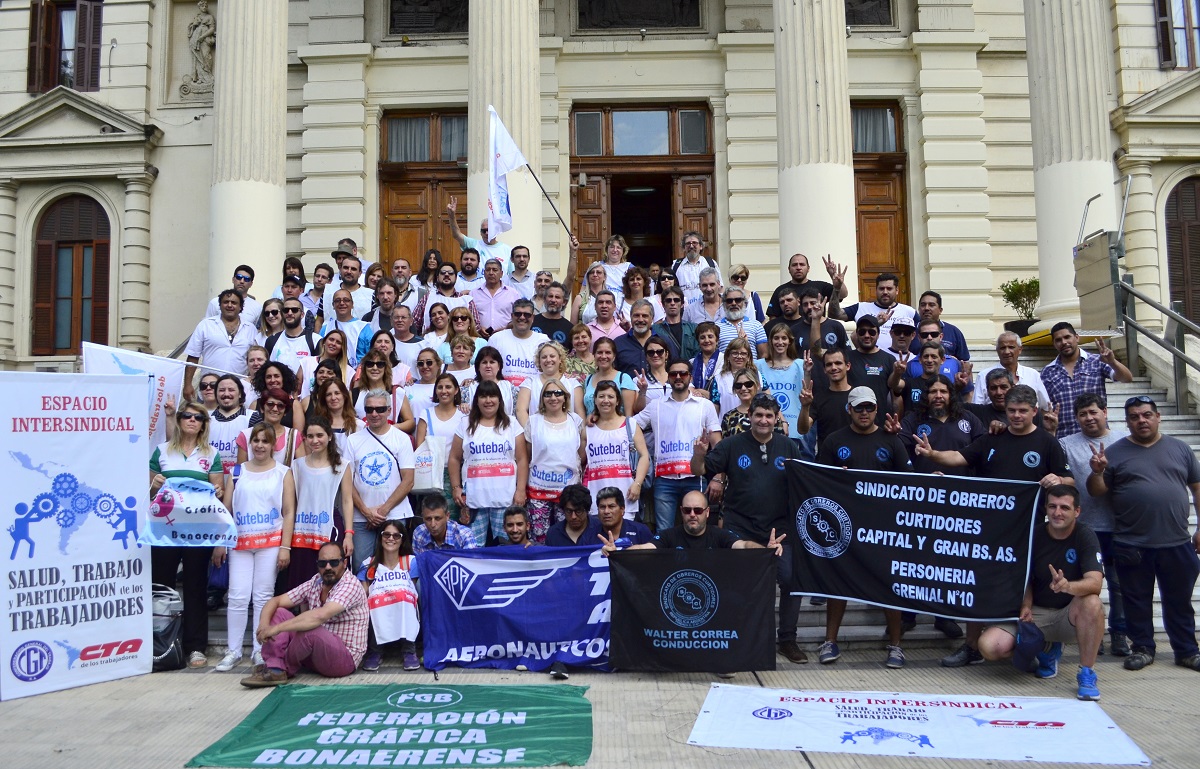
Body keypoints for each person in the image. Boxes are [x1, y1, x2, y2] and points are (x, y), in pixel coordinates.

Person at [919, 384, 1074, 668]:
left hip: (1029, 533)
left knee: (1030, 587)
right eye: (1012, 410)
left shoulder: (1047, 443)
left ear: (1035, 411)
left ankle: (1037, 643)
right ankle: (972, 646)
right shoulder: (993, 438)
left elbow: (1070, 481)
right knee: (978, 584)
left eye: (1022, 411)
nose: (1016, 416)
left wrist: (1059, 480)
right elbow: (960, 457)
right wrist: (933, 454)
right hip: (989, 531)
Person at [1086, 396, 1200, 673]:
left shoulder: (1180, 449)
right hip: (1131, 543)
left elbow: (1197, 489)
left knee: (1179, 601)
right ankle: (1142, 649)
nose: (1141, 420)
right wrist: (1097, 472)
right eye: (1134, 417)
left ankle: (1186, 651)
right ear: (1126, 422)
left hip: (1176, 542)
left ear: (1158, 417)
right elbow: (1096, 491)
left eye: (1147, 415)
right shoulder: (1114, 452)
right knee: (1135, 601)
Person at [692, 393, 806, 663]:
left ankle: (787, 639)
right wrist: (698, 455)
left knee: (791, 580)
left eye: (769, 416)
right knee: (740, 583)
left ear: (776, 418)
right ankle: (741, 638)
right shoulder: (731, 445)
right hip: (740, 528)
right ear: (749, 417)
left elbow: (805, 481)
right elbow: (699, 470)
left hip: (779, 530)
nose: (763, 420)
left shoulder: (789, 446)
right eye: (758, 415)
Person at [974, 486, 1106, 701]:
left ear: (1077, 511)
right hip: (1037, 612)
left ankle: (1087, 673)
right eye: (1052, 506)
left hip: (1068, 614)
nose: (1057, 512)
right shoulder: (1034, 534)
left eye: (1064, 508)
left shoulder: (1085, 535)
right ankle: (1045, 649)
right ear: (1045, 508)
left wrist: (1067, 586)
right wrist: (1026, 604)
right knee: (989, 647)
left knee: (1092, 603)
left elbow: (1095, 583)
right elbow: (1025, 578)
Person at [815, 386, 912, 669]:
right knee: (838, 583)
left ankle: (896, 645)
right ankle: (830, 641)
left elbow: (909, 481)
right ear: (849, 410)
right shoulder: (834, 441)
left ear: (877, 409)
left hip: (884, 527)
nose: (865, 412)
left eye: (869, 407)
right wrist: (836, 479)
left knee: (889, 584)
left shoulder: (892, 440)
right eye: (859, 408)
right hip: (844, 526)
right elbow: (818, 480)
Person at [213, 423, 296, 672]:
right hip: (240, 543)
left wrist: (285, 547)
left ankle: (260, 650)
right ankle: (234, 650)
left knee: (263, 596)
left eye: (265, 441)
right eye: (256, 441)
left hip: (270, 543)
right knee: (237, 596)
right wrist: (221, 543)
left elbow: (289, 512)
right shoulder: (237, 472)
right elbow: (226, 510)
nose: (260, 445)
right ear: (250, 444)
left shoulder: (283, 472)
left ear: (273, 445)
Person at [149, 401, 226, 668]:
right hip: (165, 530)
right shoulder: (161, 451)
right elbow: (149, 492)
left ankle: (195, 647)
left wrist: (218, 492)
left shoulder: (211, 453)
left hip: (197, 532)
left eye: (198, 417)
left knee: (195, 587)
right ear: (179, 420)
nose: (192, 420)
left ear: (204, 424)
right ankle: (161, 644)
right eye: (187, 416)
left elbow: (219, 494)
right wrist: (154, 484)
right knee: (162, 588)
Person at [1058, 393, 1131, 656]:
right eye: (1083, 414)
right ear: (1076, 418)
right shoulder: (1066, 444)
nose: (1089, 418)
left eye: (1093, 412)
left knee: (1119, 585)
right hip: (1083, 527)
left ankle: (1120, 634)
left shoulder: (1124, 440)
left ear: (1105, 412)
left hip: (1120, 526)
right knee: (1085, 585)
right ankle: (1091, 632)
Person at [239, 541, 368, 687]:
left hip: (344, 660)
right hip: (317, 654)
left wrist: (276, 629)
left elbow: (319, 616)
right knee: (279, 612)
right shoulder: (316, 581)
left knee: (310, 629)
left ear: (344, 563)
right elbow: (276, 601)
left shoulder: (350, 585)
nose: (328, 567)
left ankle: (280, 669)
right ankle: (275, 667)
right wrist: (263, 625)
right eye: (322, 563)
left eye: (333, 562)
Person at [635, 357, 720, 532]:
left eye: (683, 373)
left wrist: (719, 476)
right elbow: (630, 426)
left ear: (690, 377)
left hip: (695, 477)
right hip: (664, 479)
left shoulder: (705, 405)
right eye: (674, 374)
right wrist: (599, 417)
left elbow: (717, 443)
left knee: (698, 529)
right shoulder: (656, 405)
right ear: (668, 377)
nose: (678, 377)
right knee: (663, 531)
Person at [449, 380, 527, 546]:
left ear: (499, 400)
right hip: (474, 499)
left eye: (492, 396)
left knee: (506, 547)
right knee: (473, 549)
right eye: (483, 396)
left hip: (505, 498)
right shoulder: (465, 423)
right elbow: (454, 458)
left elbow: (522, 460)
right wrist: (456, 487)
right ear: (476, 400)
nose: (488, 400)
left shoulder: (512, 424)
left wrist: (521, 490)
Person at [346, 390, 416, 559]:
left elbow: (408, 481)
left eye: (380, 409)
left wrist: (382, 511)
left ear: (389, 410)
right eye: (369, 409)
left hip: (395, 514)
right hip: (361, 518)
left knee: (393, 565)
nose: (374, 414)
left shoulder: (401, 439)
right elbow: (347, 482)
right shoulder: (353, 440)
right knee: (361, 565)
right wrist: (366, 512)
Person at [605, 490, 785, 553]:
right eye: (687, 510)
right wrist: (618, 552)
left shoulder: (720, 535)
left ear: (707, 513)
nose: (692, 514)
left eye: (698, 510)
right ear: (681, 512)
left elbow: (744, 546)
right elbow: (645, 549)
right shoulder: (668, 536)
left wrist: (766, 551)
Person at [518, 379, 584, 542]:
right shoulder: (533, 421)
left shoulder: (576, 420)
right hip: (539, 490)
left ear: (565, 397)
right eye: (548, 394)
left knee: (567, 537)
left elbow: (580, 453)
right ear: (542, 398)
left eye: (558, 393)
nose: (553, 397)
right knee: (540, 538)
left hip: (568, 491)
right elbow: (528, 455)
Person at [1041, 323, 1133, 438]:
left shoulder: (1097, 361)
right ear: (1054, 344)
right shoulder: (1047, 372)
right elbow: (1043, 407)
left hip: (1098, 436)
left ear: (1077, 337)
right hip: (1065, 437)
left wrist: (1112, 362)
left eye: (1067, 337)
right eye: (1058, 340)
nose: (1064, 342)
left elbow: (1127, 378)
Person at [356, 520, 421, 672]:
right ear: (380, 538)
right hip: (378, 606)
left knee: (405, 597)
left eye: (396, 536)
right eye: (386, 535)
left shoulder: (410, 561)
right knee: (373, 601)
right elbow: (363, 592)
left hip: (403, 604)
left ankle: (409, 650)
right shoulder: (368, 564)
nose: (391, 538)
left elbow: (413, 590)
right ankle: (375, 650)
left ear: (402, 540)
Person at [583, 381, 650, 519]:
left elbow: (644, 456)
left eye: (610, 396)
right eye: (601, 396)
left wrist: (637, 483)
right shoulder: (588, 429)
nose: (606, 400)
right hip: (595, 498)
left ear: (618, 400)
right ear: (595, 400)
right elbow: (581, 460)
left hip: (626, 496)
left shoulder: (630, 424)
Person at [413, 373, 467, 524]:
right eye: (440, 387)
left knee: (453, 519)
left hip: (455, 474)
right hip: (430, 474)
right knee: (432, 520)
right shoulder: (426, 413)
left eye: (448, 387)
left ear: (456, 390)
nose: (444, 391)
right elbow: (419, 447)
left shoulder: (464, 415)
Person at [184, 289, 257, 400]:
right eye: (226, 302)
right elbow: (193, 356)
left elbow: (255, 360)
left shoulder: (251, 329)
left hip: (238, 391)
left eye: (234, 302)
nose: (229, 305)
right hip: (209, 389)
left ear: (240, 307)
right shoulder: (205, 325)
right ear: (220, 305)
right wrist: (187, 384)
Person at [827, 270, 917, 340]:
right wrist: (836, 289)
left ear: (897, 290)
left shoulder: (909, 312)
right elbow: (834, 314)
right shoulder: (861, 308)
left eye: (889, 288)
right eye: (881, 288)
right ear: (876, 290)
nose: (885, 292)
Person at [971, 331, 1052, 409]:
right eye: (1002, 348)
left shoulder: (1032, 375)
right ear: (997, 350)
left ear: (1020, 349)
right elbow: (977, 408)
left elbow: (1045, 407)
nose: (1007, 352)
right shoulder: (983, 376)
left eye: (1011, 347)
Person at [798, 346, 852, 455]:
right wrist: (805, 407)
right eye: (829, 364)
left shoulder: (857, 396)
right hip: (826, 459)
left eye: (838, 363)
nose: (833, 367)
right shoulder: (819, 398)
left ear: (847, 366)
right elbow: (803, 429)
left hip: (854, 457)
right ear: (824, 370)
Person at [757, 323, 805, 438]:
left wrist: (807, 372)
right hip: (765, 424)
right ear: (770, 341)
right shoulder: (758, 365)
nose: (780, 342)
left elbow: (806, 391)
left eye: (784, 338)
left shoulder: (800, 364)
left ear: (790, 341)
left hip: (794, 425)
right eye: (776, 338)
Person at [517, 341, 584, 424]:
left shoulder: (573, 383)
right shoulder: (530, 382)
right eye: (544, 357)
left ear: (560, 359)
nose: (548, 360)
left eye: (552, 356)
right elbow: (520, 410)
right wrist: (530, 430)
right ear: (539, 361)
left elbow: (580, 413)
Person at [964, 368, 1048, 435]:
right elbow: (955, 406)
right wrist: (960, 387)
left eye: (1003, 387)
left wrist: (1051, 430)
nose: (999, 392)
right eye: (993, 388)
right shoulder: (976, 412)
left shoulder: (1030, 413)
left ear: (1013, 387)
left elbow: (1043, 442)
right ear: (987, 391)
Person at [488, 298, 550, 386]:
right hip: (502, 392)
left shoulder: (543, 341)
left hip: (534, 391)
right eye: (518, 314)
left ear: (533, 317)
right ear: (512, 316)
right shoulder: (496, 339)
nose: (522, 317)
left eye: (527, 315)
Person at [766, 252, 846, 318]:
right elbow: (773, 316)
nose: (798, 268)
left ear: (808, 268)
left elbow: (842, 295)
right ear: (789, 269)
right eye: (794, 265)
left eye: (802, 264)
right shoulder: (780, 290)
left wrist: (833, 275)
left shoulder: (821, 286)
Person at [351, 351, 415, 431]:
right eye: (370, 364)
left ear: (386, 368)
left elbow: (410, 422)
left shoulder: (397, 393)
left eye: (380, 364)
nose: (375, 368)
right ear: (364, 368)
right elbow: (346, 419)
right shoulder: (355, 394)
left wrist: (390, 429)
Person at [240, 385, 304, 465]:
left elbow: (301, 468)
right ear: (262, 408)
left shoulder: (294, 436)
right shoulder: (246, 435)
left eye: (280, 406)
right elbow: (240, 469)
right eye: (270, 404)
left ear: (285, 412)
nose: (275, 409)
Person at [446, 196, 510, 270]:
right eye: (484, 231)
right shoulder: (473, 244)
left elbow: (511, 273)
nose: (486, 233)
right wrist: (452, 216)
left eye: (489, 230)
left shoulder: (507, 250)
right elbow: (457, 235)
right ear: (480, 233)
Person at [719, 368, 785, 438]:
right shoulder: (728, 417)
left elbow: (780, 441)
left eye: (748, 384)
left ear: (758, 386)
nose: (743, 388)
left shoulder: (770, 414)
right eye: (738, 385)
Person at [414, 263, 478, 334]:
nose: (447, 275)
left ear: (456, 278)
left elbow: (475, 326)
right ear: (437, 278)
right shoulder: (427, 298)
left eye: (450, 273)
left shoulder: (467, 300)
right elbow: (415, 323)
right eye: (443, 273)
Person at [208, 375, 251, 474]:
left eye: (231, 390)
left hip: (241, 477)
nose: (226, 394)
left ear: (240, 394)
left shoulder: (252, 417)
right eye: (222, 390)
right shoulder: (205, 418)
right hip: (209, 479)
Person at [909, 290, 970, 361]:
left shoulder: (953, 332)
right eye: (923, 305)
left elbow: (964, 361)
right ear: (919, 309)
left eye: (931, 305)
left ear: (940, 310)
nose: (926, 308)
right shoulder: (909, 332)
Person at [582, 337, 637, 415]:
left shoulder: (624, 379)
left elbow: (629, 415)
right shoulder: (588, 379)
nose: (603, 356)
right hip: (591, 423)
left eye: (608, 352)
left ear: (614, 356)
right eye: (600, 352)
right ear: (594, 355)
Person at [266, 298, 321, 374]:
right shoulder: (272, 341)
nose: (290, 313)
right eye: (286, 310)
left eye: (294, 310)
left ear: (302, 314)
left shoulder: (315, 340)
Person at [462, 345, 519, 414]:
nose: (488, 366)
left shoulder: (510, 389)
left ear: (499, 366)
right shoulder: (468, 389)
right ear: (478, 367)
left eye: (492, 362)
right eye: (484, 362)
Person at [412, 494, 479, 553]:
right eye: (428, 519)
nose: (433, 524)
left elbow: (471, 562)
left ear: (447, 516)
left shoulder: (464, 535)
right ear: (423, 517)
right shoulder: (419, 533)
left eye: (437, 518)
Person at [320, 288, 370, 368]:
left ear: (352, 304)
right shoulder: (325, 329)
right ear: (333, 305)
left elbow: (371, 353)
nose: (342, 303)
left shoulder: (363, 328)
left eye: (346, 300)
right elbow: (320, 353)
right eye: (337, 300)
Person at [472, 258, 521, 336]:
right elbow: (469, 317)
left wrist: (506, 328)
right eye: (488, 270)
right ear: (484, 273)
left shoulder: (512, 293)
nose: (491, 273)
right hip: (480, 337)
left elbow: (519, 316)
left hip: (506, 336)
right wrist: (478, 328)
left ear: (501, 273)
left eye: (495, 270)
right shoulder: (474, 293)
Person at [716, 285, 767, 359]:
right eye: (729, 301)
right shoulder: (716, 327)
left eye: (738, 300)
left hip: (751, 366)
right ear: (724, 304)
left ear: (745, 303)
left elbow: (764, 354)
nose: (733, 303)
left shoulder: (756, 325)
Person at [299, 331, 352, 399]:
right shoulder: (306, 362)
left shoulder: (349, 371)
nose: (333, 344)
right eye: (331, 339)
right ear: (324, 342)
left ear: (342, 347)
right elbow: (296, 391)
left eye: (338, 342)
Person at [312, 378, 358, 456]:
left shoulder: (358, 425)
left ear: (344, 395)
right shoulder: (316, 426)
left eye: (337, 393)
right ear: (324, 399)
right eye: (328, 394)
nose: (333, 398)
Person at [652, 285, 698, 361]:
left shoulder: (693, 328)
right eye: (668, 300)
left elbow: (698, 352)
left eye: (676, 300)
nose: (672, 303)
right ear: (663, 305)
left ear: (682, 304)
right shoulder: (655, 329)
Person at [711, 338, 754, 417]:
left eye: (743, 353)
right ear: (728, 356)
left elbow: (767, 401)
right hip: (727, 423)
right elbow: (715, 409)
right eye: (735, 353)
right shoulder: (718, 379)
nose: (739, 356)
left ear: (748, 357)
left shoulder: (757, 375)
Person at [357, 278, 400, 357]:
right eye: (381, 293)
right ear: (377, 295)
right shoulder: (368, 318)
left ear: (396, 294)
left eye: (389, 293)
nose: (385, 297)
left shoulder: (404, 318)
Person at [323, 253, 373, 321]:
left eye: (353, 269)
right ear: (340, 270)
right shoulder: (327, 291)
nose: (349, 271)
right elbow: (319, 320)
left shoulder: (371, 295)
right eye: (346, 268)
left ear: (360, 273)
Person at [614, 300, 657, 376]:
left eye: (645, 316)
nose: (640, 320)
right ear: (630, 317)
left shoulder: (663, 342)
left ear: (652, 318)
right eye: (636, 315)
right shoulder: (618, 343)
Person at [671, 230, 715, 303]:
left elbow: (720, 287)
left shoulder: (710, 263)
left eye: (694, 243)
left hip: (706, 307)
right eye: (688, 243)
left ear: (701, 246)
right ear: (684, 248)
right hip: (684, 308)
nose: (691, 246)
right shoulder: (676, 265)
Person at [390, 305, 431, 371]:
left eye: (403, 317)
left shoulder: (423, 344)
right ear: (391, 321)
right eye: (396, 317)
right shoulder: (387, 344)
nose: (400, 320)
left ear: (411, 321)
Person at [598, 234, 634, 304]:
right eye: (612, 247)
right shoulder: (597, 267)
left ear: (623, 250)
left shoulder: (629, 267)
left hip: (624, 305)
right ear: (606, 249)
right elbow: (585, 289)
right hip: (603, 304)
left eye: (618, 247)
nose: (615, 250)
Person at [406, 347, 442, 417]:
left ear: (438, 365)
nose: (425, 366)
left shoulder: (446, 389)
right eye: (420, 363)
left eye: (429, 362)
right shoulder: (408, 388)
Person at [690, 321, 722, 396]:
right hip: (697, 400)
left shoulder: (725, 360)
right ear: (698, 342)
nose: (706, 340)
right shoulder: (691, 363)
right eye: (702, 337)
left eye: (710, 337)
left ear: (717, 340)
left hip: (719, 400)